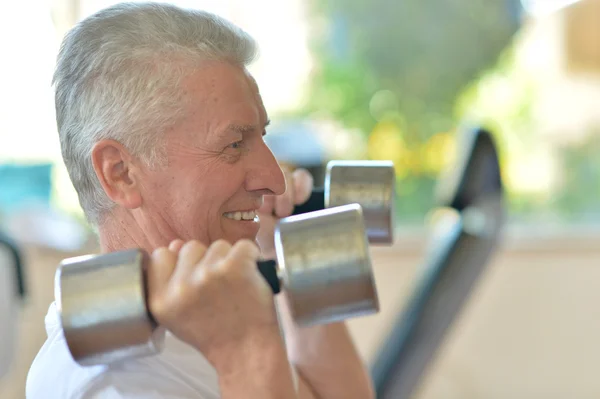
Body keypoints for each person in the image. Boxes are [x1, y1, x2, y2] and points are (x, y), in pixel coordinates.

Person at [26, 2, 375, 398]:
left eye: (262, 136)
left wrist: (295, 256)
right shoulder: (113, 384)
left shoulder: (201, 317)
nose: (275, 180)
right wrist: (245, 349)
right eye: (233, 144)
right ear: (121, 172)